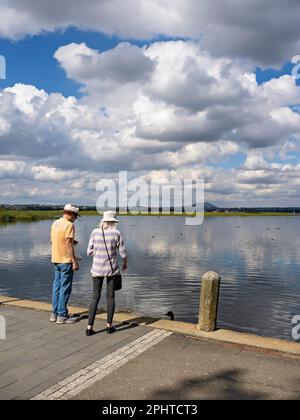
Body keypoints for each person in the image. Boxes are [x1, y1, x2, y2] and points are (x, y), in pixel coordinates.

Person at [86, 210, 127, 336]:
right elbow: (123, 253)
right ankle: (109, 326)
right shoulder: (116, 233)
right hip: (111, 270)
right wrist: (125, 263)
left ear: (103, 221)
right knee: (110, 298)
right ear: (114, 222)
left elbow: (89, 252)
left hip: (96, 269)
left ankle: (89, 327)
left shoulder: (95, 232)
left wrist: (98, 253)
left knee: (94, 297)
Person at [50, 204, 80, 324]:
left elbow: (53, 241)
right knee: (65, 288)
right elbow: (68, 243)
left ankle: (54, 314)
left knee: (56, 287)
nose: (76, 218)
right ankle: (62, 315)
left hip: (56, 259)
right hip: (66, 261)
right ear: (71, 214)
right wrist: (74, 261)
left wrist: (72, 242)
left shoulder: (55, 223)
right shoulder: (69, 225)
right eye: (76, 216)